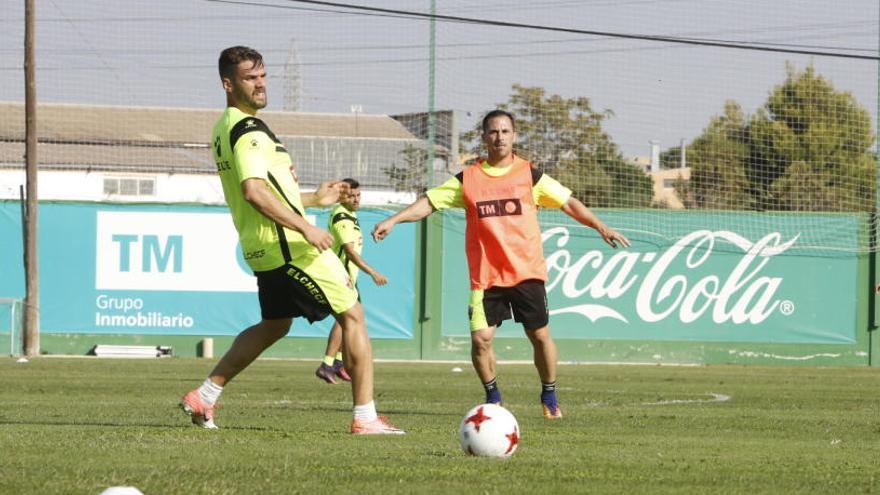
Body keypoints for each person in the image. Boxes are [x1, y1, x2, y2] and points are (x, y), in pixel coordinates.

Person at [179, 46, 403, 435]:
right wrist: (306, 227)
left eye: (263, 75)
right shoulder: (247, 130)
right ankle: (365, 418)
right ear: (228, 84)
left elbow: (267, 191)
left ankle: (205, 394)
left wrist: (315, 200)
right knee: (353, 315)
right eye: (251, 78)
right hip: (290, 246)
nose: (261, 84)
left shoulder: (225, 126)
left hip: (263, 246)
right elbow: (253, 190)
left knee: (275, 325)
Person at [372, 109, 630, 419]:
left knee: (539, 336)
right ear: (484, 138)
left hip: (526, 271)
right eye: (493, 132)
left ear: (514, 136)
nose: (500, 137)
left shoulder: (529, 175)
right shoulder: (468, 179)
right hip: (485, 277)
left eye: (505, 131)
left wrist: (602, 227)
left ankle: (549, 393)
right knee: (481, 340)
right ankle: (493, 397)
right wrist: (395, 219)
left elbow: (568, 202)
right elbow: (429, 202)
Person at [315, 178, 389, 384]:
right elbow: (350, 252)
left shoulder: (351, 215)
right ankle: (327, 364)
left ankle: (338, 363)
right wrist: (373, 272)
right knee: (347, 320)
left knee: (352, 320)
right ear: (341, 196)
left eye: (358, 195)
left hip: (349, 277)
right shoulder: (342, 217)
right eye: (351, 196)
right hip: (341, 276)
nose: (356, 199)